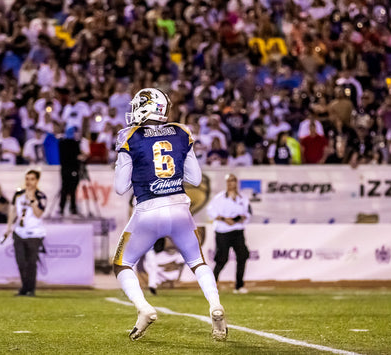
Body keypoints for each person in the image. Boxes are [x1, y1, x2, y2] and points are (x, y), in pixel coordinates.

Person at [113, 88, 227, 341]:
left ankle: (144, 309)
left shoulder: (130, 135)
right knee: (197, 262)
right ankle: (215, 306)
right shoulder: (181, 132)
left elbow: (121, 188)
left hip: (148, 210)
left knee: (122, 263)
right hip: (179, 208)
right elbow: (195, 179)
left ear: (147, 107)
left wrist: (128, 163)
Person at [4, 170, 47, 296]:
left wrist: (32, 199)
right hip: (19, 231)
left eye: (32, 179)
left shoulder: (41, 196)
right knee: (21, 261)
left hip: (35, 233)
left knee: (31, 262)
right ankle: (24, 287)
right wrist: (8, 227)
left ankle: (30, 289)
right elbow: (13, 212)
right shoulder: (18, 194)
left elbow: (38, 214)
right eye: (27, 178)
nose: (29, 182)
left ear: (37, 181)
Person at [207, 174, 251, 294]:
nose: (231, 183)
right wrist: (224, 219)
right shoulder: (219, 198)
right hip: (223, 231)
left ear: (236, 182)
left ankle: (239, 285)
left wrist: (240, 219)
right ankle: (212, 283)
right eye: (229, 181)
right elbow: (211, 212)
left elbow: (247, 214)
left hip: (237, 230)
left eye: (233, 181)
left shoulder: (243, 198)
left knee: (242, 256)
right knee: (222, 258)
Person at [58, 127, 88, 216]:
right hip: (73, 169)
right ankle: (72, 208)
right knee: (72, 189)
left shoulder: (61, 143)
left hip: (64, 169)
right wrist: (83, 157)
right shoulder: (74, 143)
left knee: (64, 188)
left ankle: (61, 208)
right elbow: (77, 156)